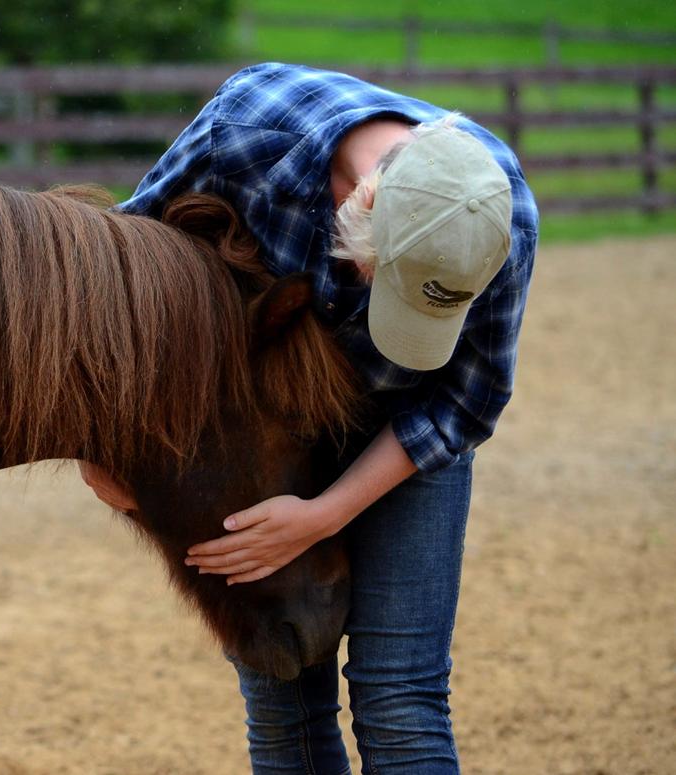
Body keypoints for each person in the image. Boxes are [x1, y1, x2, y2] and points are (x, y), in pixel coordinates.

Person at [79, 64, 538, 774]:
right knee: (282, 694)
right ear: (359, 202)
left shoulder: (497, 220)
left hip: (404, 429)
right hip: (262, 424)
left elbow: (465, 401)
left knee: (399, 698)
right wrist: (98, 448)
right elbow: (114, 280)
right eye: (386, 286)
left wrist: (326, 514)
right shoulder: (242, 134)